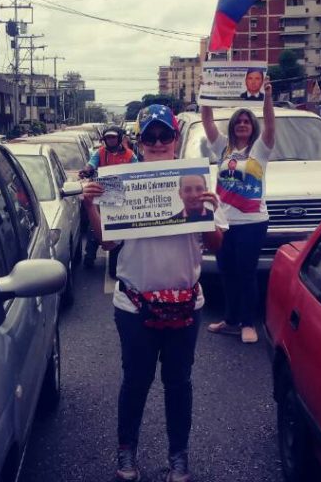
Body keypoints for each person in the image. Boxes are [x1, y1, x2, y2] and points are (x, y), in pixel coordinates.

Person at [83, 104, 227, 482]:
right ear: (140, 141)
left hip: (185, 305)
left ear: (175, 138)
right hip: (134, 306)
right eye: (151, 136)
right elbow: (107, 243)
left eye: (165, 135)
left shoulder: (196, 181)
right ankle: (126, 451)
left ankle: (178, 456)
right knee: (136, 382)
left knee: (178, 384)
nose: (159, 142)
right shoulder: (120, 181)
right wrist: (90, 205)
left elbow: (216, 244)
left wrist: (206, 213)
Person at [201, 78, 276, 344]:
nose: (242, 124)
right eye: (238, 121)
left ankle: (248, 323)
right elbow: (207, 122)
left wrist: (268, 96)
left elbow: (270, 125)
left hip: (252, 222)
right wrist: (205, 93)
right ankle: (230, 320)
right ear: (232, 126)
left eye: (247, 121)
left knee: (246, 273)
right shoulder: (223, 147)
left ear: (252, 126)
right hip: (223, 222)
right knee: (227, 273)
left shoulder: (260, 149)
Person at [81, 126, 138, 269]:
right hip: (102, 195)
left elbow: (138, 171)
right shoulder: (99, 152)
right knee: (94, 226)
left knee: (119, 230)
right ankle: (90, 254)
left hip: (122, 197)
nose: (110, 140)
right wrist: (86, 171)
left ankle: (116, 262)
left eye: (113, 137)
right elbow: (91, 164)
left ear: (119, 138)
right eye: (108, 138)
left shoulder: (130, 155)